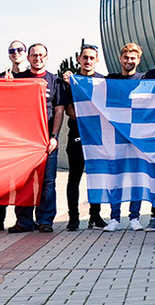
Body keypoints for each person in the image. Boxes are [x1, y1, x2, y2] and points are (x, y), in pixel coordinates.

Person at [11, 43, 62, 233]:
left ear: (47, 58)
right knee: (23, 182)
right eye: (34, 55)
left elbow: (59, 111)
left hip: (47, 141)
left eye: (41, 55)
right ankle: (24, 221)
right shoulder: (18, 79)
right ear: (28, 57)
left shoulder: (55, 81)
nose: (37, 58)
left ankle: (45, 220)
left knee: (47, 182)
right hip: (24, 141)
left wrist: (54, 136)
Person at [60, 45, 107, 231]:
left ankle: (95, 215)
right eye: (85, 57)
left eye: (91, 58)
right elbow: (69, 110)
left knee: (97, 177)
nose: (88, 61)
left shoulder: (102, 82)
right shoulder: (71, 81)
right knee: (74, 177)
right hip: (77, 135)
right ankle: (73, 218)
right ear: (79, 59)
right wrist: (89, 115)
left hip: (97, 136)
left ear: (97, 60)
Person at [104, 43, 145, 231]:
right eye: (126, 58)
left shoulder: (144, 79)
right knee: (116, 177)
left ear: (139, 60)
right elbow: (88, 83)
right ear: (120, 59)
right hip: (116, 135)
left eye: (133, 58)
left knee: (136, 176)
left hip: (137, 136)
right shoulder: (110, 79)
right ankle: (114, 218)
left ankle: (135, 217)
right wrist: (71, 78)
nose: (129, 61)